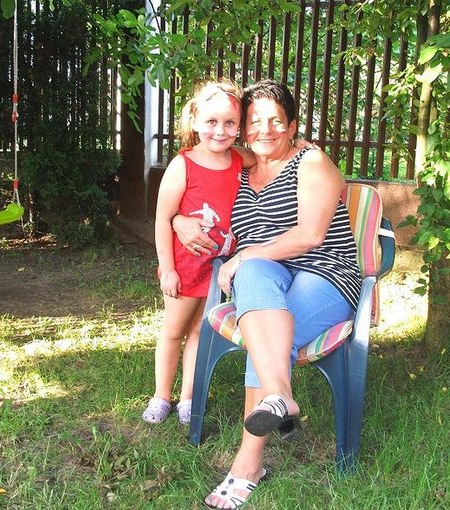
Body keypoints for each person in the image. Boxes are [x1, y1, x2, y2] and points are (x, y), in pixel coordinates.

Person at [173, 79, 361, 509]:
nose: (265, 129)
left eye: (277, 121)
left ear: (293, 126)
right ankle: (281, 396)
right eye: (255, 120)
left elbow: (311, 235)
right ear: (244, 129)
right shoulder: (239, 168)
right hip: (266, 277)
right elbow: (193, 187)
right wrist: (178, 221)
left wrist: (244, 256)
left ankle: (248, 464)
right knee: (257, 283)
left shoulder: (311, 162)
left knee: (265, 328)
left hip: (325, 274)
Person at [143, 79, 256, 426]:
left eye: (230, 123)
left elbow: (265, 155)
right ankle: (161, 396)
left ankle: (188, 397)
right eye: (211, 121)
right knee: (174, 330)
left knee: (199, 332)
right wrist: (168, 268)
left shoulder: (238, 159)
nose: (220, 131)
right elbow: (163, 219)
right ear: (194, 120)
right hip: (186, 265)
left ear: (239, 126)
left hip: (217, 266)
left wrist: (297, 144)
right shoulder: (183, 165)